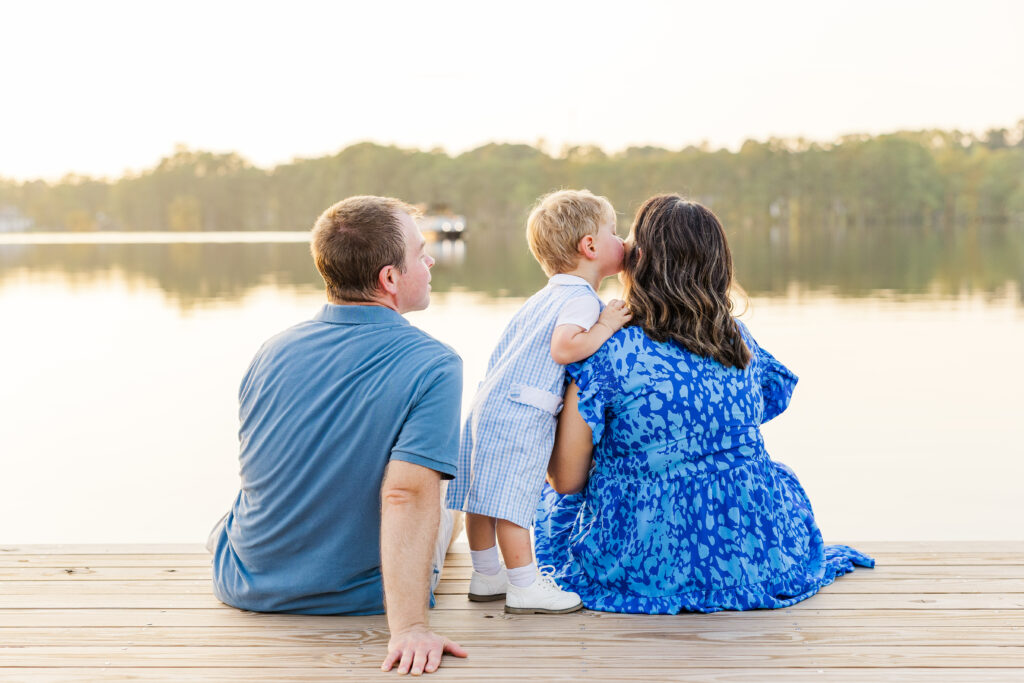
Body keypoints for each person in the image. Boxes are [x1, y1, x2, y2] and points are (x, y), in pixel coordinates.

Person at [535, 194, 874, 614]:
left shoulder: (607, 352)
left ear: (637, 261)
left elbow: (566, 480)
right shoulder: (740, 343)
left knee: (549, 503)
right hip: (750, 552)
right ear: (719, 266)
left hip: (645, 559)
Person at [208, 196, 467, 675]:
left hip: (244, 581)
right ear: (390, 279)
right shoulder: (435, 364)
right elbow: (405, 495)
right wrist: (409, 627)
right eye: (419, 251)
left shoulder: (273, 349)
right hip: (359, 595)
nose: (429, 261)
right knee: (447, 497)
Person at [446, 189, 631, 614]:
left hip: (488, 406)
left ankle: (486, 575)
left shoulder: (544, 296)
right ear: (589, 246)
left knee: (482, 497)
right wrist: (605, 324)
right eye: (614, 232)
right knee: (512, 501)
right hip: (523, 411)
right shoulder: (583, 299)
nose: (622, 241)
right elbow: (566, 347)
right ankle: (525, 586)